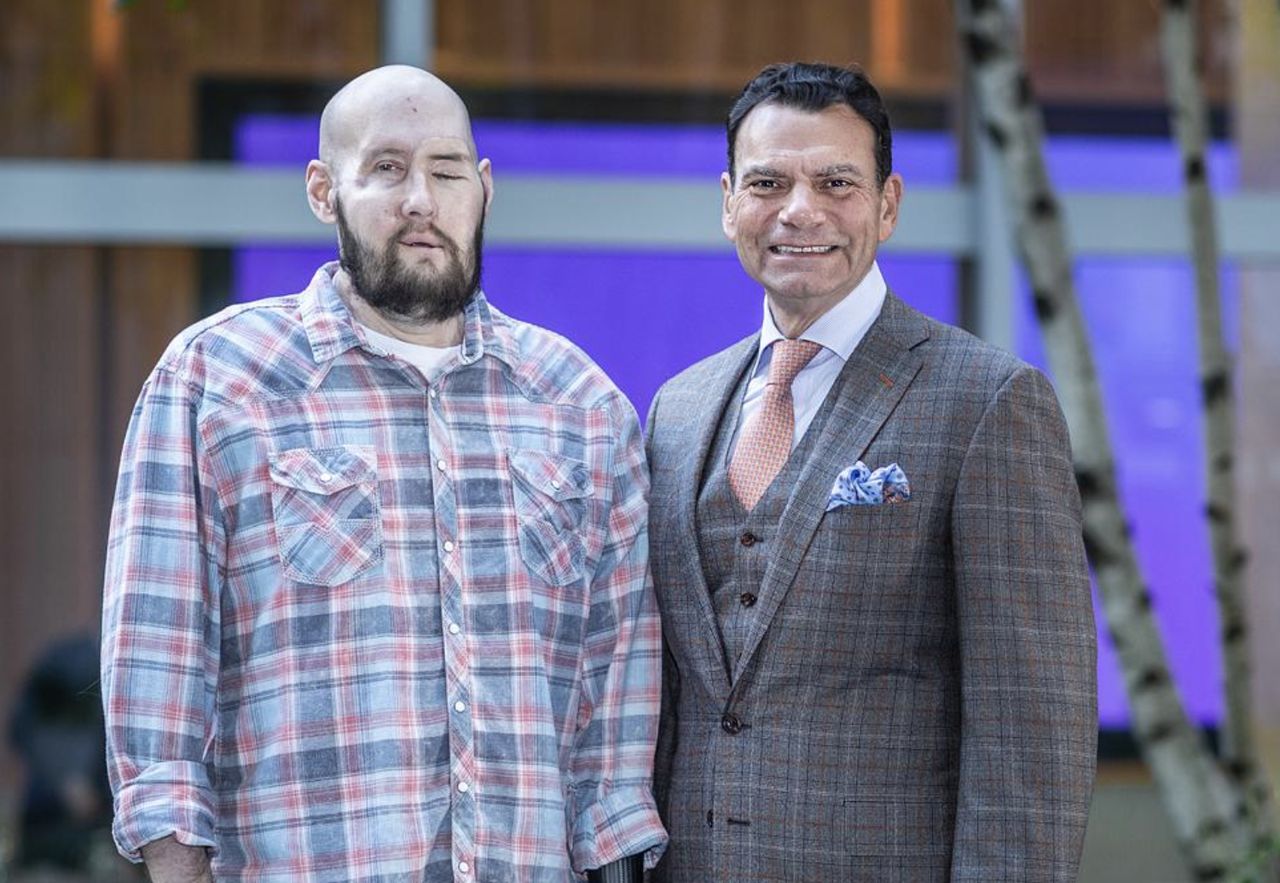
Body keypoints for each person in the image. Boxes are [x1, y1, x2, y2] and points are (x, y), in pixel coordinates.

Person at [101, 65, 664, 883]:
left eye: (446, 170)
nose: (421, 201)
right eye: (387, 169)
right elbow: (158, 665)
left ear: (484, 187)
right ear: (323, 191)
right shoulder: (215, 381)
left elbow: (613, 704)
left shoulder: (580, 404)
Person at [646, 62, 1097, 881]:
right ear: (727, 202)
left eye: (836, 181)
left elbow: (1034, 731)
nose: (799, 210)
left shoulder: (989, 400)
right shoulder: (676, 410)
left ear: (887, 205)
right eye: (768, 181)